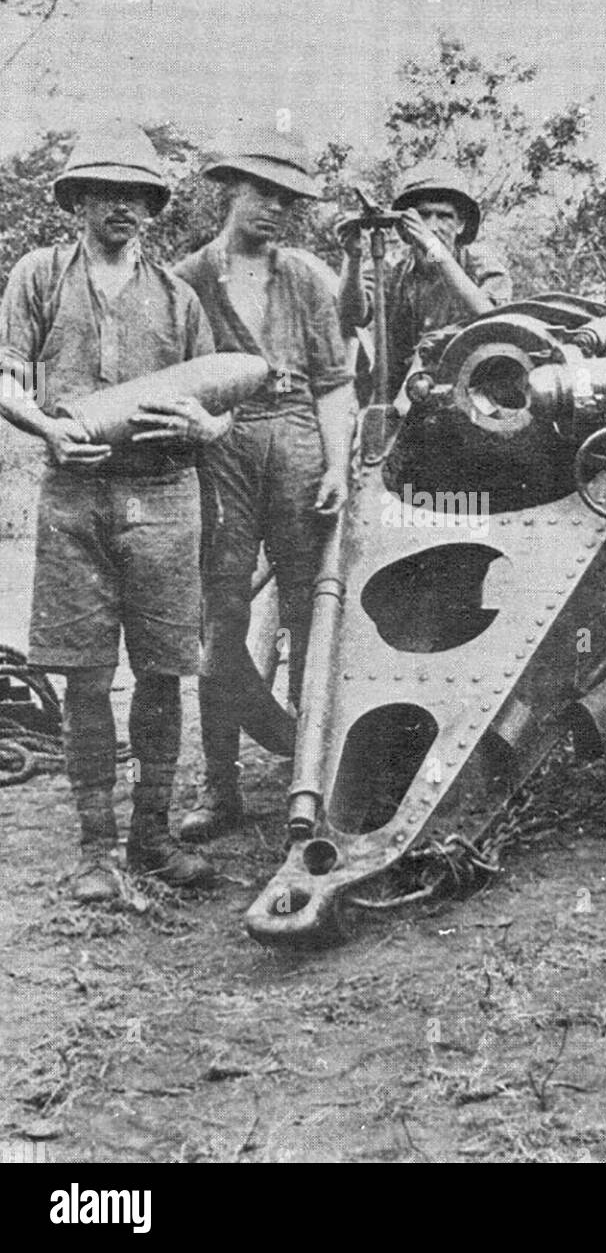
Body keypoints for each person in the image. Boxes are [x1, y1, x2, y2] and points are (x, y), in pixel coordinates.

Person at [0, 119, 229, 902]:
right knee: (87, 677)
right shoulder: (38, 276)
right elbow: (5, 377)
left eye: (137, 195)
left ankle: (153, 836)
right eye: (107, 193)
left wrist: (207, 426)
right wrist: (48, 432)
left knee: (164, 671)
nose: (123, 208)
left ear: (152, 205)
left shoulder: (177, 297)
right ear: (79, 199)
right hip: (75, 494)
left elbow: (220, 397)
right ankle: (97, 848)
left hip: (165, 495)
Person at [173, 123, 355, 843]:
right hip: (221, 448)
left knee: (313, 612)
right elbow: (176, 382)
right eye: (262, 193)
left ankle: (309, 776)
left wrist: (337, 464)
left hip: (299, 445)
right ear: (231, 191)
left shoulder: (306, 275)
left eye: (288, 199)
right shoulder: (187, 279)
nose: (275, 209)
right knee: (220, 617)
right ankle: (221, 792)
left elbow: (334, 382)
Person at [336, 161, 512, 400]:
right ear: (406, 226)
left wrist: (433, 247)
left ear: (461, 224)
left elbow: (491, 318)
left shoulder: (480, 265)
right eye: (423, 216)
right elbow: (351, 316)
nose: (432, 225)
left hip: (472, 397)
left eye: (444, 216)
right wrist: (352, 256)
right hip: (403, 401)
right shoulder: (389, 269)